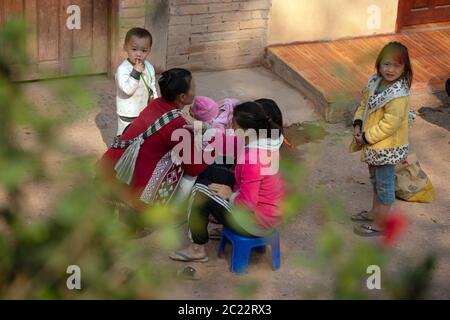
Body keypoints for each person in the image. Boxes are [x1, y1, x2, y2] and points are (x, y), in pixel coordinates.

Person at [169, 101, 285, 263]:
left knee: (200, 190)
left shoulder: (252, 159)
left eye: (234, 127)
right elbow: (225, 143)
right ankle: (221, 220)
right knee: (213, 172)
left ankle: (197, 249)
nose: (231, 130)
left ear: (246, 131)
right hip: (267, 213)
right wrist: (203, 128)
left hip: (254, 223)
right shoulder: (268, 142)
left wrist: (230, 195)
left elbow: (248, 204)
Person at [98, 68, 207, 213]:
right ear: (182, 97)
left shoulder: (155, 104)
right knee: (181, 162)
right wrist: (204, 142)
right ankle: (169, 212)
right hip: (134, 195)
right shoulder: (180, 125)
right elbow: (195, 168)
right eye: (193, 87)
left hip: (109, 171)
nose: (195, 90)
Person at [350, 41, 413, 236]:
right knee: (375, 182)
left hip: (386, 148)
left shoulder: (398, 96)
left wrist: (366, 137)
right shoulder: (374, 83)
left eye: (396, 65)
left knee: (385, 187)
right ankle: (374, 213)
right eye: (386, 64)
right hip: (372, 146)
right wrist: (358, 124)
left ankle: (381, 224)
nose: (390, 69)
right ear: (379, 64)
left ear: (405, 68)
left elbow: (389, 125)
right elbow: (364, 105)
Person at [115, 28, 158, 135]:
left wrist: (155, 103)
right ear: (125, 47)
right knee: (125, 137)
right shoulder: (123, 69)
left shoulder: (149, 67)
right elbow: (127, 90)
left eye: (144, 50)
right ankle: (118, 152)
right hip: (128, 112)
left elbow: (152, 87)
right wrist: (135, 73)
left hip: (143, 110)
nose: (139, 54)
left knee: (141, 136)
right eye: (134, 49)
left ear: (149, 50)